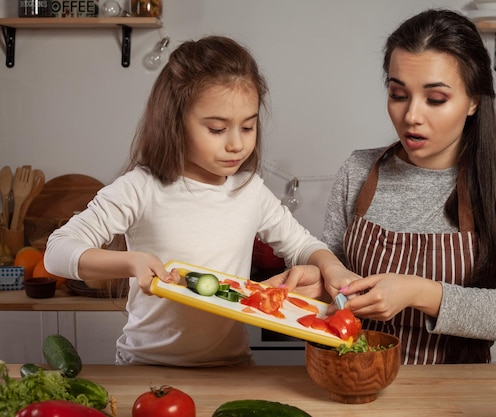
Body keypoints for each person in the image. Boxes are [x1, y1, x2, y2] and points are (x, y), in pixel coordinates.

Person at [44, 35, 356, 367]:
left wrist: (332, 267)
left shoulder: (249, 191)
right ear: (175, 122)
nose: (236, 144)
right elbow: (56, 252)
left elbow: (302, 245)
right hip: (145, 368)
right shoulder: (141, 188)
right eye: (217, 129)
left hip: (231, 368)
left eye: (247, 127)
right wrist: (130, 263)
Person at [269, 9, 496, 365]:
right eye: (399, 94)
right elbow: (339, 285)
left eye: (436, 99)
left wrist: (419, 292)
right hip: (356, 375)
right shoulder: (358, 170)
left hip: (453, 393)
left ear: (474, 100)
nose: (412, 115)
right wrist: (320, 284)